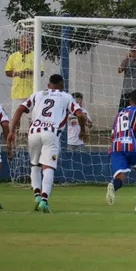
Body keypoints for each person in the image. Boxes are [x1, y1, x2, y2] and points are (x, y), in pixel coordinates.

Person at [7, 74, 87, 213]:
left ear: (49, 85)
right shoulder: (67, 96)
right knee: (48, 166)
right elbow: (80, 115)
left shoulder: (37, 94)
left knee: (35, 164)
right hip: (51, 134)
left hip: (33, 133)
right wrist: (83, 131)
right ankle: (44, 200)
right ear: (62, 85)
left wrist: (12, 131)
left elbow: (20, 109)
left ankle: (37, 195)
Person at [106, 90, 136, 213]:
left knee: (120, 177)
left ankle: (113, 186)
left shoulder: (120, 114)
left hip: (116, 146)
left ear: (129, 101)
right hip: (132, 145)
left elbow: (112, 134)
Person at [4, 35, 45, 136]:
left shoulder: (36, 56)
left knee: (32, 118)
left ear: (31, 44)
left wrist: (31, 72)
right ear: (19, 43)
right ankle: (14, 138)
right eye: (23, 42)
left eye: (27, 42)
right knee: (16, 118)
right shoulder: (13, 56)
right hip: (17, 92)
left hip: (32, 93)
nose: (25, 44)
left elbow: (41, 72)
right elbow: (8, 72)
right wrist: (17, 73)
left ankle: (31, 137)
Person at [117, 36, 136, 110]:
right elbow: (120, 70)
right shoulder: (127, 60)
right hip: (126, 90)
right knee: (123, 111)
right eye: (134, 50)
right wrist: (127, 58)